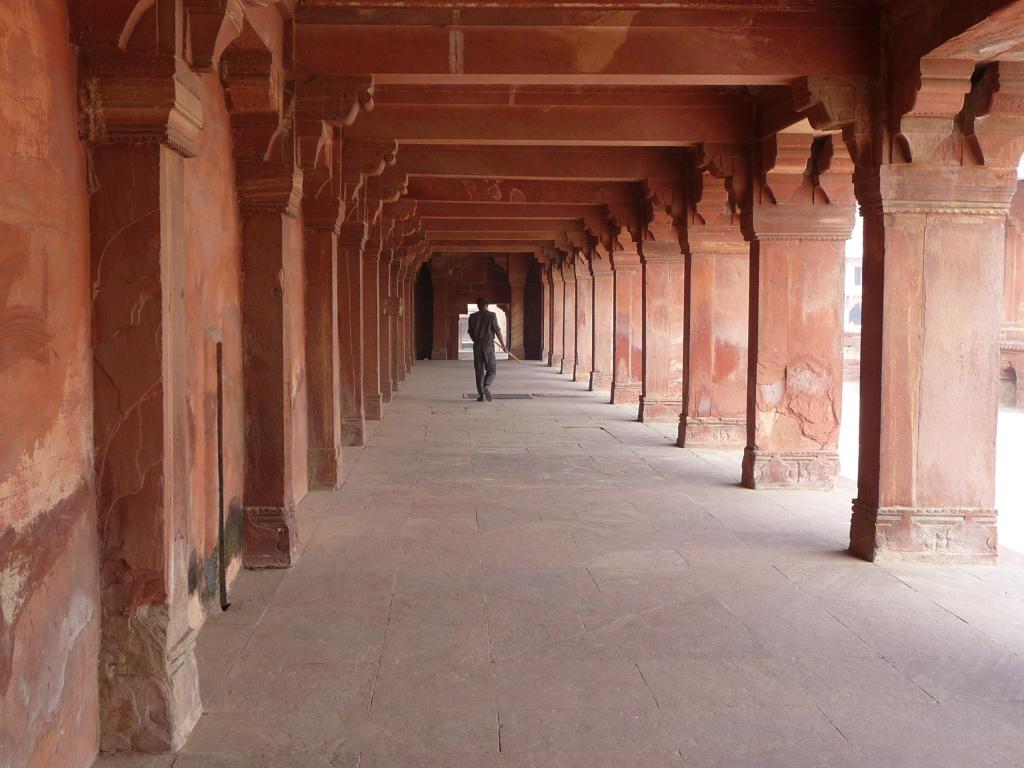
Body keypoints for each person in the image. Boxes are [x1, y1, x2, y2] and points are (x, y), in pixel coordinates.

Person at [467, 297, 507, 402]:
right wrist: (503, 345)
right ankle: (487, 386)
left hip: (477, 345)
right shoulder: (492, 315)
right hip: (488, 344)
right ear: (487, 305)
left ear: (478, 306)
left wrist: (476, 340)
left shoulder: (472, 316)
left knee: (479, 370)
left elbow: (470, 332)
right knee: (492, 369)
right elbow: (497, 331)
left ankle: (482, 395)